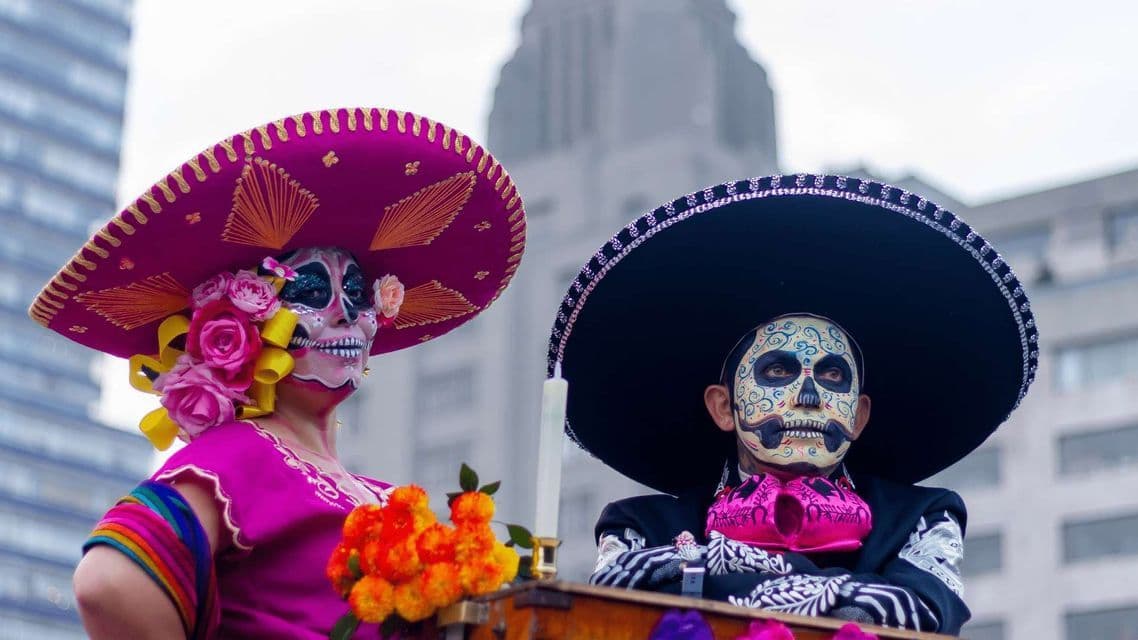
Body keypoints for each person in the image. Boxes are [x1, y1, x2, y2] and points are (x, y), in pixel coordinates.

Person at [29, 108, 527, 639]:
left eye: (358, 293)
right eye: (311, 291)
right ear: (243, 320)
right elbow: (108, 583)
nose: (345, 312)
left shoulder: (385, 496)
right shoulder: (242, 453)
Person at [545, 174, 1039, 635]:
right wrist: (839, 591)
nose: (808, 397)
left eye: (831, 375)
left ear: (858, 415)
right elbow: (613, 611)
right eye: (778, 372)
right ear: (724, 407)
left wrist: (700, 569)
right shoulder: (639, 526)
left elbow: (913, 615)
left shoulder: (924, 518)